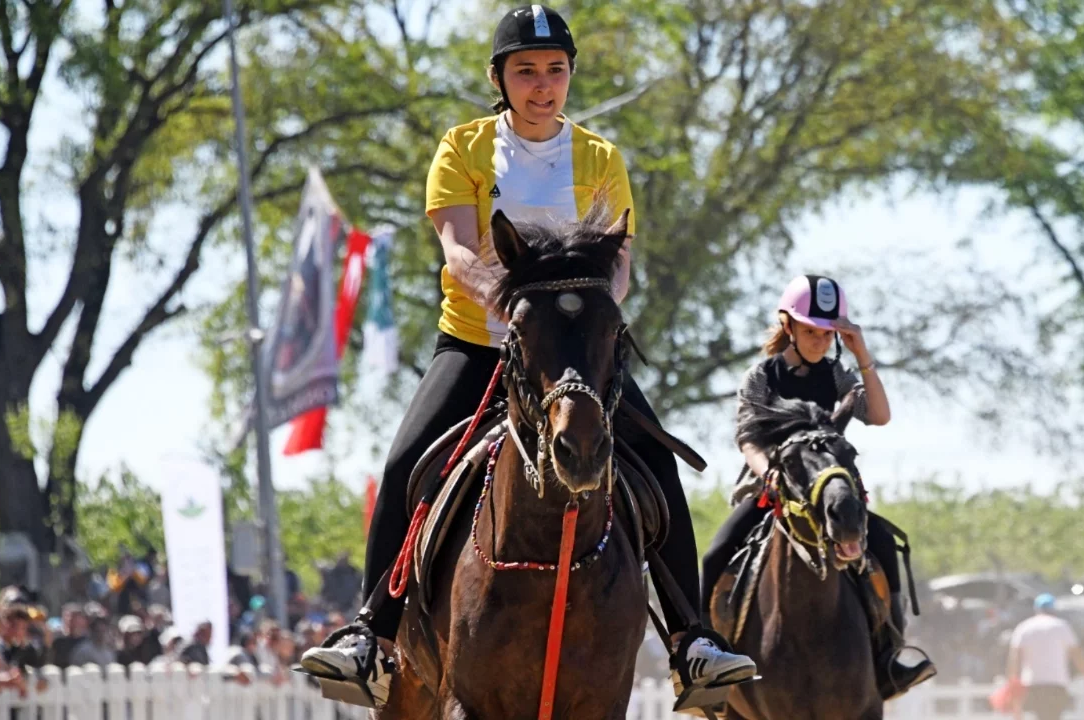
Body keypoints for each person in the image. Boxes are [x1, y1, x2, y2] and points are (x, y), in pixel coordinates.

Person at [300, 4, 755, 704]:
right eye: (526, 72)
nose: (542, 86)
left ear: (569, 75)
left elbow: (619, 264)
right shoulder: (463, 148)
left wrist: (600, 311)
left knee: (657, 463)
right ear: (499, 77)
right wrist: (510, 307)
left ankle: (690, 640)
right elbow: (456, 249)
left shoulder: (600, 157)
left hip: (578, 354)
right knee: (403, 464)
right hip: (482, 345)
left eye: (555, 71)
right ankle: (371, 634)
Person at [700, 274, 937, 700]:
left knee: (884, 544)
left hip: (831, 495)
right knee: (715, 555)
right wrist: (768, 472)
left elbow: (880, 416)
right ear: (787, 325)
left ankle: (889, 658)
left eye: (829, 334)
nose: (820, 341)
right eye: (811, 331)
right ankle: (705, 667)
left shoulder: (838, 374)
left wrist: (862, 354)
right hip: (772, 494)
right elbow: (748, 438)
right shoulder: (762, 376)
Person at [1006, 594, 1084, 720]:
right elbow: (1077, 656)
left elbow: (1014, 660)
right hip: (1057, 683)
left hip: (1032, 684)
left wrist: (1012, 686)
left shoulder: (1024, 628)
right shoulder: (1061, 626)